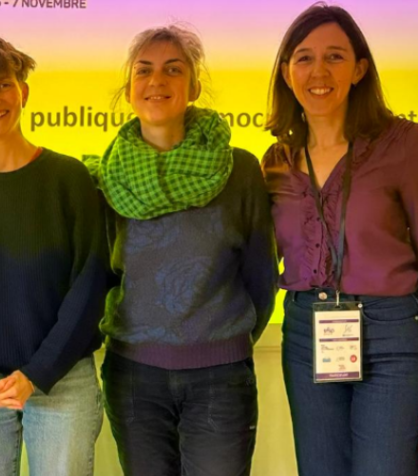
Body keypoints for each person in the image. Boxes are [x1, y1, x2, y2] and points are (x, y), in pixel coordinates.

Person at [261, 3, 418, 476]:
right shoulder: (276, 161)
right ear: (287, 73)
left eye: (334, 57)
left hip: (392, 339)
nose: (319, 71)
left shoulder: (405, 143)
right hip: (306, 336)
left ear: (359, 69)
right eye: (304, 58)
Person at [88, 25, 278, 476]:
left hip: (220, 378)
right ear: (129, 90)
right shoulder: (108, 178)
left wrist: (220, 344)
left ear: (193, 87)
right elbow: (100, 276)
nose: (157, 81)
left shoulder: (238, 169)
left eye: (173, 70)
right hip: (133, 378)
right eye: (144, 70)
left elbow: (261, 276)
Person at [0, 36, 112, 476]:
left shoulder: (69, 178)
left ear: (24, 92)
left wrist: (38, 371)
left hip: (61, 379)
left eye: (3, 85)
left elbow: (91, 284)